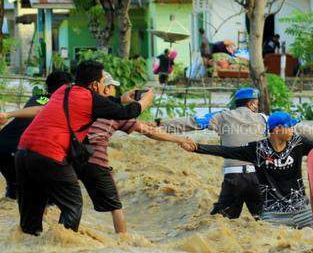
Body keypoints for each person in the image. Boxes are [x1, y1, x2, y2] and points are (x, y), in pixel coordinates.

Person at [15, 60, 153, 235]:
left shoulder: (63, 90)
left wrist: (120, 99)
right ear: (95, 84)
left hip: (23, 152)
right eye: (103, 82)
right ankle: (61, 251)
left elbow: (98, 104)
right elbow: (127, 113)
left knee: (30, 219)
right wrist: (145, 101)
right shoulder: (88, 98)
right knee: (73, 205)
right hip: (50, 154)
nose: (104, 85)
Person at [181, 112, 313, 229]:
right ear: (276, 130)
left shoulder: (298, 142)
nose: (292, 129)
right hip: (273, 216)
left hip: (302, 212)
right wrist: (196, 147)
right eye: (289, 126)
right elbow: (226, 151)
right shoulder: (257, 149)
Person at [75, 72, 193, 233]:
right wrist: (180, 140)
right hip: (95, 160)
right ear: (106, 89)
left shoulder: (78, 104)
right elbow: (149, 132)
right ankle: (123, 246)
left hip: (68, 156)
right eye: (112, 87)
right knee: (116, 207)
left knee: (62, 198)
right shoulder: (114, 111)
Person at [160, 87, 269, 219]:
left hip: (233, 177)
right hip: (257, 177)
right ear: (251, 104)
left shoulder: (223, 116)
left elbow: (193, 122)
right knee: (266, 221)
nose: (257, 107)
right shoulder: (264, 119)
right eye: (256, 104)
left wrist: (160, 124)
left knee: (221, 222)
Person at [0, 71, 72, 200]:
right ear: (66, 87)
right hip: (21, 149)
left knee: (14, 188)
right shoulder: (58, 104)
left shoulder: (35, 98)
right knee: (42, 192)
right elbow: (40, 111)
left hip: (2, 144)